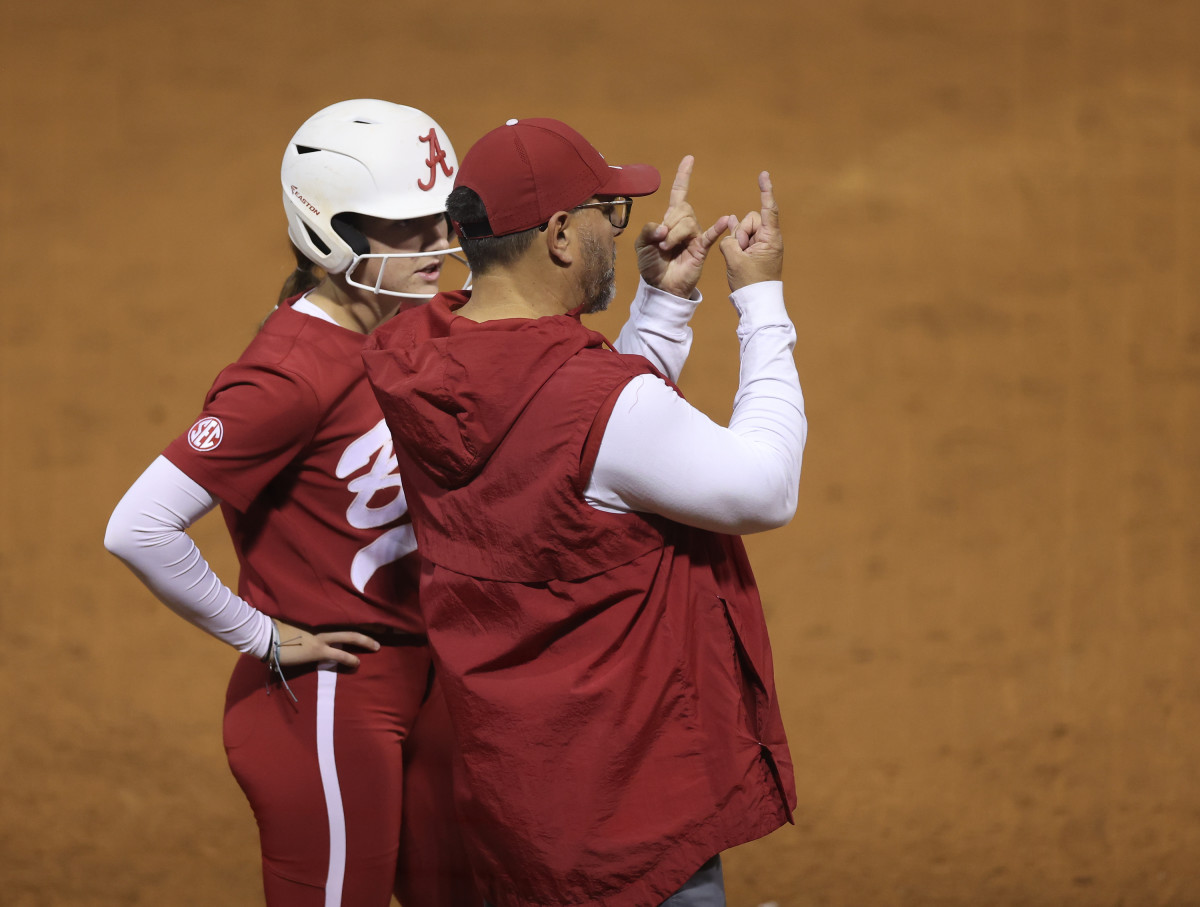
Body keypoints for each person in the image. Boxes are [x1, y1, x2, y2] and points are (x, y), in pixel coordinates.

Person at [362, 117, 807, 907]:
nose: (621, 227)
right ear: (561, 235)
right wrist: (762, 302)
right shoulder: (592, 402)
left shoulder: (418, 359)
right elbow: (761, 486)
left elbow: (569, 454)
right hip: (632, 825)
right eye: (610, 210)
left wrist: (662, 308)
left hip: (520, 810)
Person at [104, 99, 478, 907]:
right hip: (332, 700)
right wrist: (261, 635)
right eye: (403, 228)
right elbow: (138, 525)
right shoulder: (288, 374)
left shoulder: (418, 324)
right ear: (329, 230)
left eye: (437, 220)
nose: (436, 247)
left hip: (430, 679)